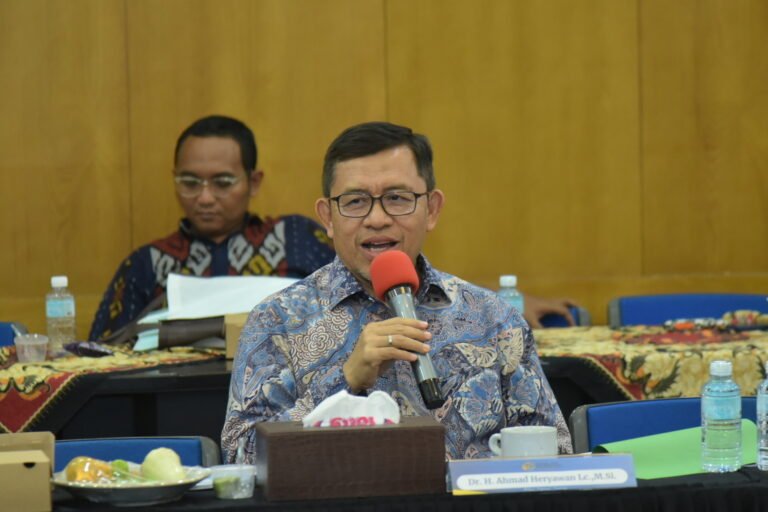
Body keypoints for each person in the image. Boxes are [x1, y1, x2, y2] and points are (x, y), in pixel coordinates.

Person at [222, 121, 572, 462]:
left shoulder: (493, 319)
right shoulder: (277, 321)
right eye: (355, 201)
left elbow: (556, 452)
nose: (377, 219)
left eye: (397, 198)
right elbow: (241, 459)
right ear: (327, 217)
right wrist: (345, 381)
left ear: (431, 209)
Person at [89, 115, 335, 341]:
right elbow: (102, 353)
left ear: (253, 182)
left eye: (222, 183)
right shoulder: (147, 264)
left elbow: (348, 316)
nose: (205, 198)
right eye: (190, 182)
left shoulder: (297, 240)